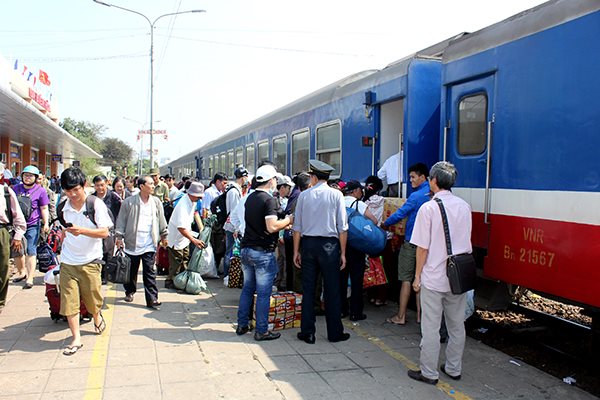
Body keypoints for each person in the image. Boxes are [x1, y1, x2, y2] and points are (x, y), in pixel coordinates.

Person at [407, 161, 472, 384]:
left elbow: (422, 249)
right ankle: (454, 368)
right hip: (458, 277)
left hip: (434, 277)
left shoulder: (429, 208)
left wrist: (417, 277)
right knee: (456, 326)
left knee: (431, 328)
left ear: (433, 181)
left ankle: (429, 372)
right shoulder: (464, 206)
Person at [293, 160, 350, 344]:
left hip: (308, 244)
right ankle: (335, 333)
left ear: (313, 177)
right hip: (329, 246)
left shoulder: (303, 196)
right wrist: (342, 253)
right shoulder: (337, 195)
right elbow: (342, 228)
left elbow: (297, 227)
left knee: (308, 290)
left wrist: (296, 251)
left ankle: (308, 332)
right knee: (332, 289)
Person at [58, 167, 113, 355]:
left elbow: (105, 232)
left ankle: (96, 317)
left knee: (92, 299)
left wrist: (82, 231)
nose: (72, 195)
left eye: (76, 190)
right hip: (68, 261)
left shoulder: (95, 204)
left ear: (84, 186)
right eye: (67, 191)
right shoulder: (62, 207)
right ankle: (76, 338)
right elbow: (63, 232)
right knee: (69, 301)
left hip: (90, 261)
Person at [236, 165, 293, 341]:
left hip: (246, 250)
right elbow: (271, 226)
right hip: (262, 253)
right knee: (263, 294)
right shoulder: (269, 200)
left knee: (247, 289)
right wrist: (288, 220)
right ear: (271, 181)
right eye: (275, 179)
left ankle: (242, 324)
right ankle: (261, 330)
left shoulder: (250, 198)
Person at [382, 163, 430, 325]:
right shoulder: (433, 194)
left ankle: (401, 316)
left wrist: (385, 223)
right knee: (421, 280)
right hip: (428, 245)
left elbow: (400, 214)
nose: (410, 181)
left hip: (412, 242)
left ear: (423, 177)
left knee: (407, 280)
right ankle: (420, 317)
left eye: (413, 177)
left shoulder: (416, 197)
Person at [115, 176, 168, 310]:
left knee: (149, 273)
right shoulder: (129, 202)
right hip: (132, 243)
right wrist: (119, 237)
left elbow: (161, 220)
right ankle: (129, 291)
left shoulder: (156, 202)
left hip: (149, 243)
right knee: (131, 271)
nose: (153, 186)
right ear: (142, 186)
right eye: (150, 184)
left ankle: (152, 299)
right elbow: (121, 221)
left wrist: (164, 235)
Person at [341, 180, 378, 321]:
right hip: (357, 247)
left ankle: (342, 310)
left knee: (341, 279)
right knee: (356, 280)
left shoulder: (338, 202)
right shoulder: (359, 204)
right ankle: (356, 313)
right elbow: (374, 221)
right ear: (356, 191)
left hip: (341, 245)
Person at [12, 165, 50, 289]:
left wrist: (46, 223)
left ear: (36, 177)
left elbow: (44, 208)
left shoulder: (41, 190)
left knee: (31, 250)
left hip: (32, 224)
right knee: (17, 250)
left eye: (30, 176)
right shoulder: (15, 189)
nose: (27, 178)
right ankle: (22, 272)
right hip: (16, 225)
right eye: (25, 175)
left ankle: (30, 277)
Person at [165, 182, 207, 289]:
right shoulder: (183, 205)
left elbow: (195, 213)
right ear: (191, 194)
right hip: (177, 238)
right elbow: (181, 228)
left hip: (184, 238)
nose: (199, 199)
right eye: (198, 196)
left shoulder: (192, 202)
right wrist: (194, 240)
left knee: (185, 260)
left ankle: (181, 281)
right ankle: (172, 281)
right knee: (176, 262)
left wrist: (202, 229)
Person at [0, 162, 26, 313]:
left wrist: (17, 237)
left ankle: (0, 301)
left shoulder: (6, 192)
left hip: (2, 231)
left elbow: (18, 217)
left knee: (2, 268)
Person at [283, 172, 311, 292]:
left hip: (297, 237)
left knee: (296, 270)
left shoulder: (298, 196)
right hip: (299, 239)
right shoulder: (301, 197)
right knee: (298, 271)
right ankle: (297, 297)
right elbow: (295, 223)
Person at [92, 175, 122, 284]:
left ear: (107, 184)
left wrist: (119, 233)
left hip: (110, 229)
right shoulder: (91, 198)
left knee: (108, 252)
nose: (100, 188)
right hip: (96, 230)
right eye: (97, 186)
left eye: (102, 185)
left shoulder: (114, 198)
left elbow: (120, 215)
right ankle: (98, 274)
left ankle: (106, 275)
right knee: (97, 251)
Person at [223, 167, 248, 283]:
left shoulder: (235, 190)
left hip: (233, 226)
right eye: (246, 177)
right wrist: (237, 228)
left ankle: (229, 275)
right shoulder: (233, 192)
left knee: (232, 251)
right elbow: (234, 211)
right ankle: (228, 275)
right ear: (242, 177)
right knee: (230, 252)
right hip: (232, 227)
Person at [204, 173, 229, 273]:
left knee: (219, 247)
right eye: (224, 183)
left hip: (220, 224)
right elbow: (205, 210)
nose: (225, 185)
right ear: (218, 181)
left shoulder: (221, 192)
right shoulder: (209, 192)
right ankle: (213, 268)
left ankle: (216, 268)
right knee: (215, 247)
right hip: (214, 225)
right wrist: (206, 227)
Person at [273, 174, 294, 291]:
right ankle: (281, 282)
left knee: (281, 259)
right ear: (283, 187)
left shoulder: (284, 199)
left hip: (279, 232)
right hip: (280, 233)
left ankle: (279, 282)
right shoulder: (277, 199)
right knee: (283, 259)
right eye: (288, 187)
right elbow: (280, 218)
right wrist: (281, 234)